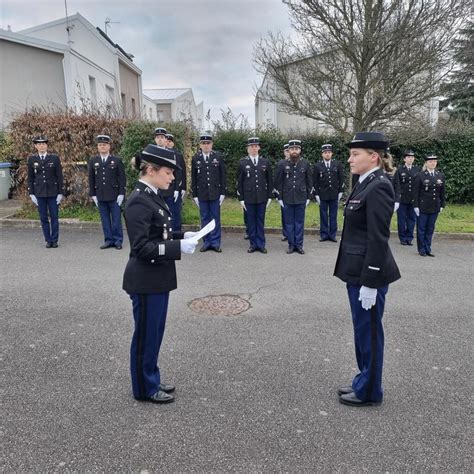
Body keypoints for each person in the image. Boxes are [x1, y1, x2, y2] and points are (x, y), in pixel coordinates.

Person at [122, 144, 199, 404]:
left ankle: (151, 377)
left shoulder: (152, 194)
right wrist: (178, 247)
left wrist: (181, 236)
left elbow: (160, 234)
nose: (173, 177)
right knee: (146, 335)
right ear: (152, 170)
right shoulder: (138, 200)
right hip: (145, 280)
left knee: (155, 333)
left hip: (157, 279)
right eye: (168, 172)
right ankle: (144, 388)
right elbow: (142, 246)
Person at [334, 131, 401, 407]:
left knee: (370, 331)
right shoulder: (365, 182)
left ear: (373, 157)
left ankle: (370, 391)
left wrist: (371, 282)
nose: (350, 159)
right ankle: (364, 379)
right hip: (357, 271)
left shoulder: (379, 186)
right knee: (362, 329)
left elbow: (378, 237)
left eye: (355, 154)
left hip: (368, 274)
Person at [88, 135, 126, 249]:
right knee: (105, 220)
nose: (102, 147)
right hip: (101, 195)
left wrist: (121, 193)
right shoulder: (94, 161)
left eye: (104, 145)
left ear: (109, 146)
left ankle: (118, 241)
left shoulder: (116, 160)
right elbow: (91, 179)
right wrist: (93, 194)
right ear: (97, 147)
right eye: (100, 145)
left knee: (116, 220)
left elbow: (122, 178)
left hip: (114, 195)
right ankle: (108, 240)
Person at [191, 134, 226, 252]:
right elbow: (194, 178)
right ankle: (206, 242)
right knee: (204, 218)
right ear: (200, 145)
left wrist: (222, 193)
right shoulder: (196, 158)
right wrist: (195, 194)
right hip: (202, 194)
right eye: (204, 144)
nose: (206, 146)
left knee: (215, 218)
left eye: (208, 143)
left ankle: (215, 243)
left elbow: (223, 176)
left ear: (212, 144)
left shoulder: (218, 157)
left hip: (215, 193)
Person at [275, 139, 312, 254]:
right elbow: (278, 182)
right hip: (287, 198)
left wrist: (308, 197)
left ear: (300, 150)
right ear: (289, 151)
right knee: (289, 223)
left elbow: (309, 182)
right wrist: (279, 198)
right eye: (292, 149)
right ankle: (291, 245)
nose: (294, 151)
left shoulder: (305, 164)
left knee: (299, 223)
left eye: (296, 149)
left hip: (301, 198)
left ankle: (299, 245)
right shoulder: (282, 164)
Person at [237, 137, 273, 253]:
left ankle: (261, 244)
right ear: (248, 149)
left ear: (259, 148)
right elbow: (239, 182)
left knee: (260, 222)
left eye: (255, 146)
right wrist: (241, 199)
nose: (254, 148)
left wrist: (269, 197)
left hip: (262, 197)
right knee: (251, 222)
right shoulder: (242, 163)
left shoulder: (265, 162)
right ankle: (253, 244)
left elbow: (270, 181)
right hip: (249, 198)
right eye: (251, 146)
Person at [27, 136, 64, 248]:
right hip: (40, 193)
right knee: (43, 218)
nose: (41, 146)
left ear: (47, 145)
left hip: (53, 193)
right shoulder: (32, 159)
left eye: (43, 144)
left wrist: (60, 193)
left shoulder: (54, 158)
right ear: (36, 146)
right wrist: (31, 193)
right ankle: (48, 240)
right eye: (39, 144)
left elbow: (59, 176)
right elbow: (31, 178)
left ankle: (55, 240)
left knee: (54, 217)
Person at [414, 154, 445, 257]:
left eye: (435, 161)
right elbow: (416, 192)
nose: (433, 163)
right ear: (426, 163)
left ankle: (428, 249)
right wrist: (416, 206)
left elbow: (442, 192)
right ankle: (421, 249)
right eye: (431, 161)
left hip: (435, 206)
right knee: (421, 229)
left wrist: (442, 205)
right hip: (423, 206)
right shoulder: (420, 175)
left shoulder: (439, 175)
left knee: (430, 229)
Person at [313, 143, 345, 242]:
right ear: (322, 154)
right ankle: (323, 234)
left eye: (329, 152)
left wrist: (341, 191)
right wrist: (316, 194)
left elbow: (341, 179)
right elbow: (315, 181)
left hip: (334, 194)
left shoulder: (337, 164)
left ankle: (332, 235)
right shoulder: (318, 165)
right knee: (323, 215)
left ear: (332, 154)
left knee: (333, 215)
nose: (327, 154)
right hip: (322, 194)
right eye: (325, 153)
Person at [159, 133, 186, 232]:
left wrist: (180, 188)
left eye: (169, 141)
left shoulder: (176, 155)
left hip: (172, 188)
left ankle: (176, 235)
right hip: (161, 189)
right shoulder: (158, 153)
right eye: (167, 141)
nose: (168, 143)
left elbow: (180, 172)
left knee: (175, 214)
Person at [395, 150, 421, 246]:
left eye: (412, 157)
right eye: (408, 157)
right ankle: (402, 237)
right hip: (402, 199)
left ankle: (409, 237)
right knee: (401, 220)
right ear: (404, 159)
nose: (410, 159)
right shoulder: (400, 170)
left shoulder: (417, 170)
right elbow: (397, 185)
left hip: (413, 199)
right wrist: (397, 199)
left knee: (411, 219)